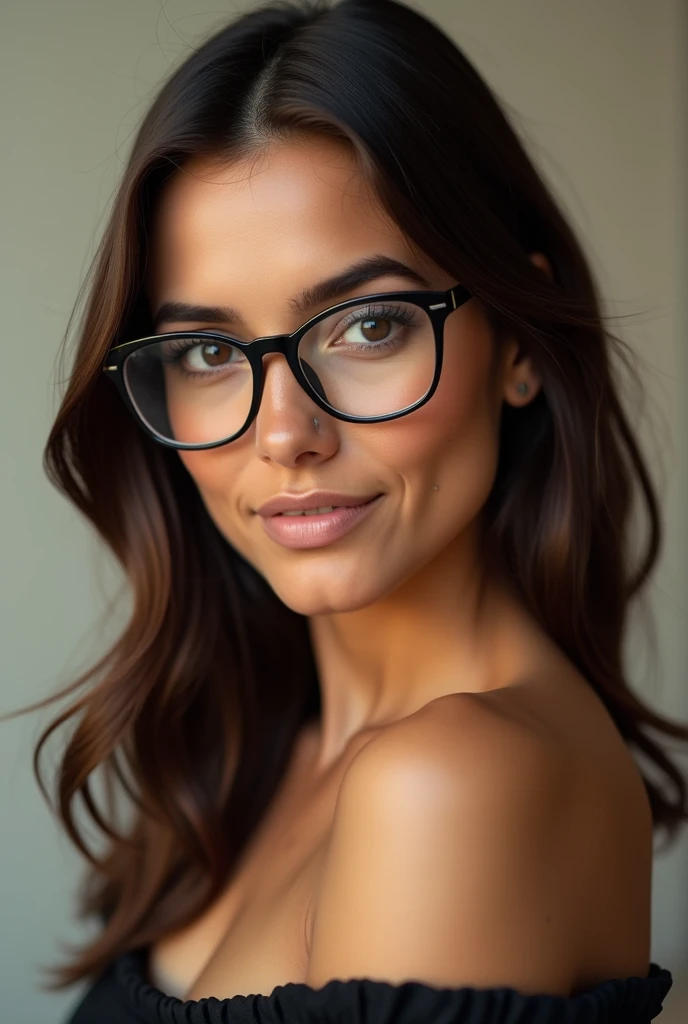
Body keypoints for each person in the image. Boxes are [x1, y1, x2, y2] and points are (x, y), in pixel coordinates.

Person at [20, 0, 684, 1020]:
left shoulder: (453, 782)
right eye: (206, 350)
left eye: (367, 326)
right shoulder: (254, 754)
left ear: (516, 343)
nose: (284, 432)